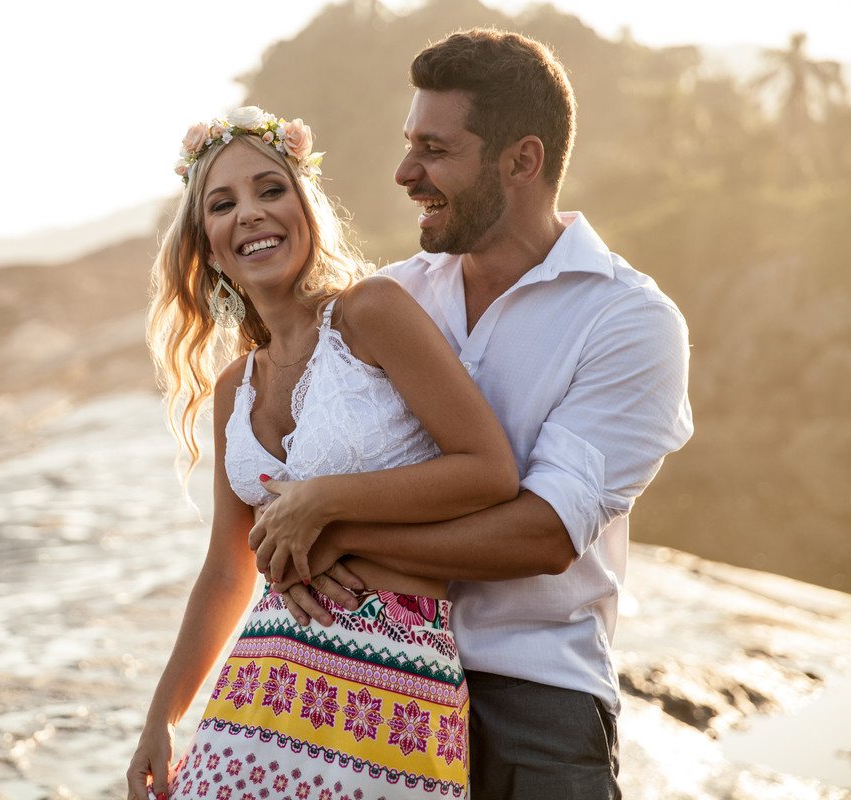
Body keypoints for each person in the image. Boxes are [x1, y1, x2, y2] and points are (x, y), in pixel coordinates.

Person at [266, 29, 694, 800]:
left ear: (522, 161)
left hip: (532, 697)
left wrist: (335, 526)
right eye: (409, 144)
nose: (405, 173)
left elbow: (544, 534)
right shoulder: (390, 298)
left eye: (434, 150)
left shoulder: (628, 320)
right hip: (364, 672)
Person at [125, 105, 520, 800]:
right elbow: (227, 569)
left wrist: (324, 503)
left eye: (270, 189)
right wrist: (163, 716)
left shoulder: (371, 313)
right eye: (223, 204)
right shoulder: (234, 388)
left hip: (391, 685)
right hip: (257, 691)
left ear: (305, 209)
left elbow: (489, 471)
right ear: (208, 247)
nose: (251, 212)